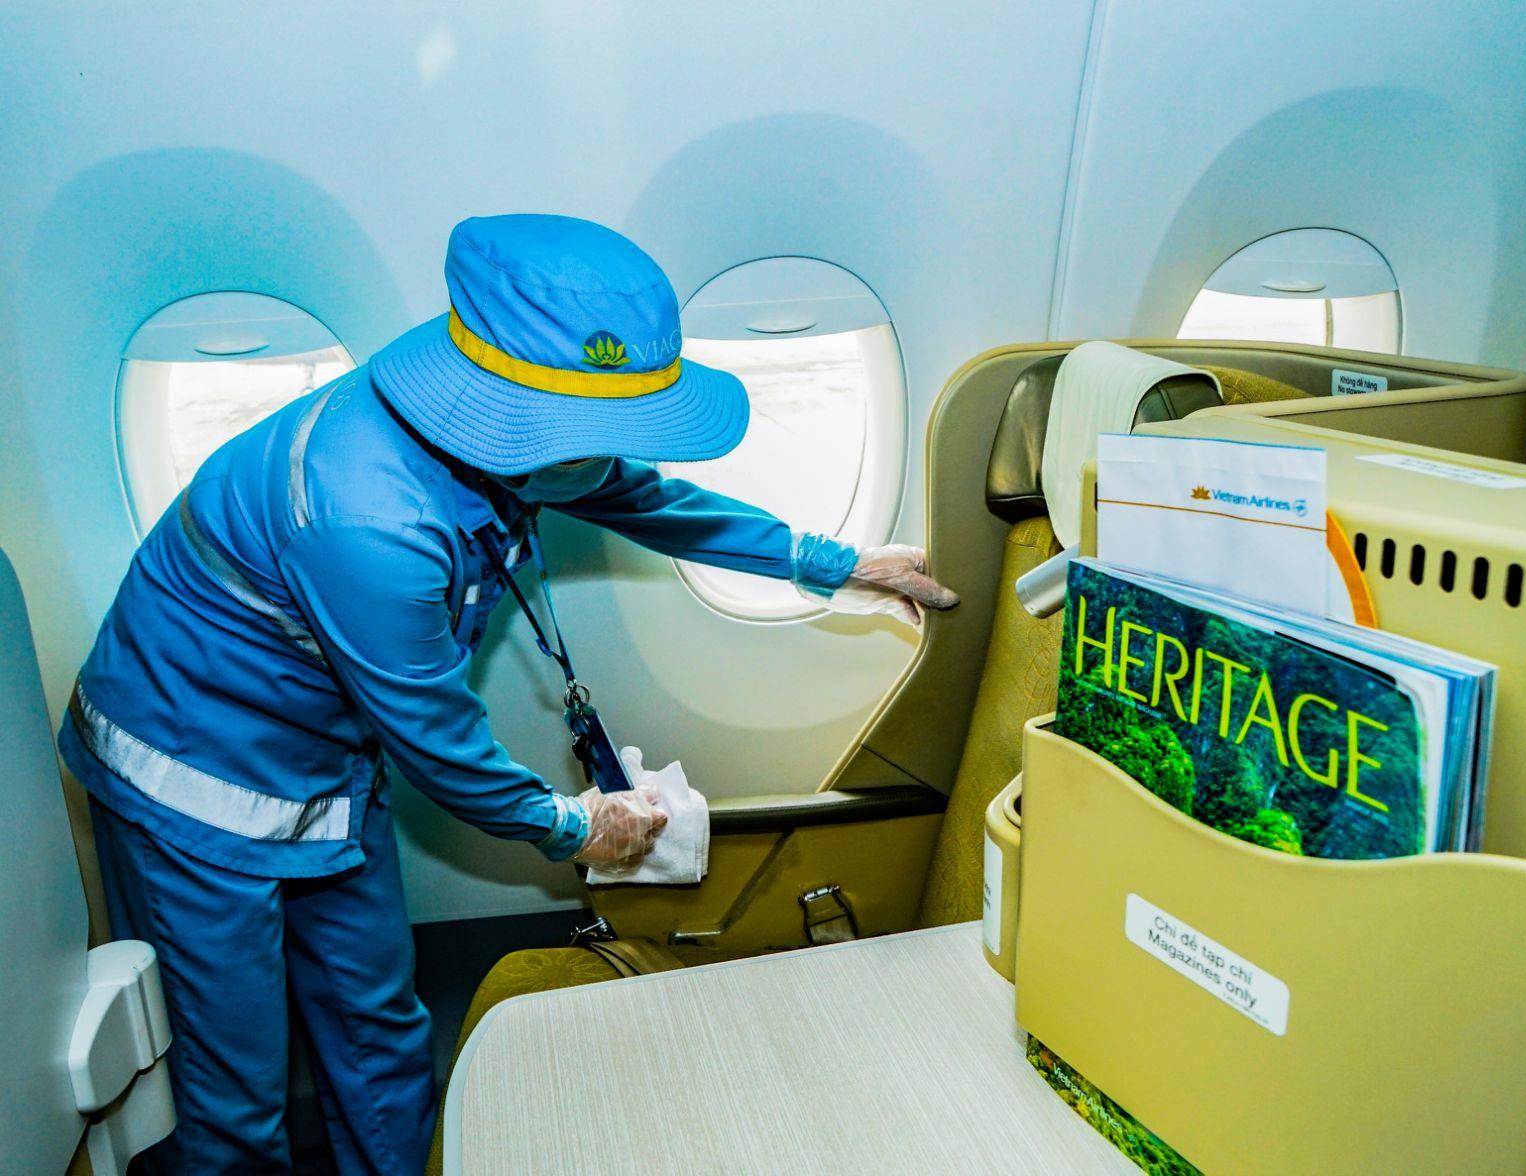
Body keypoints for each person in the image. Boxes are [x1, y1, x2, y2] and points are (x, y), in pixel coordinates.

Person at [59, 214, 959, 1173]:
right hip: (190, 772)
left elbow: (644, 499)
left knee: (377, 1025)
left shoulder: (517, 428)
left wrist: (835, 563)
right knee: (233, 1097)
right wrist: (574, 826)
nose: (615, 456)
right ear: (510, 412)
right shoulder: (370, 519)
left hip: (332, 758)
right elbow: (437, 741)